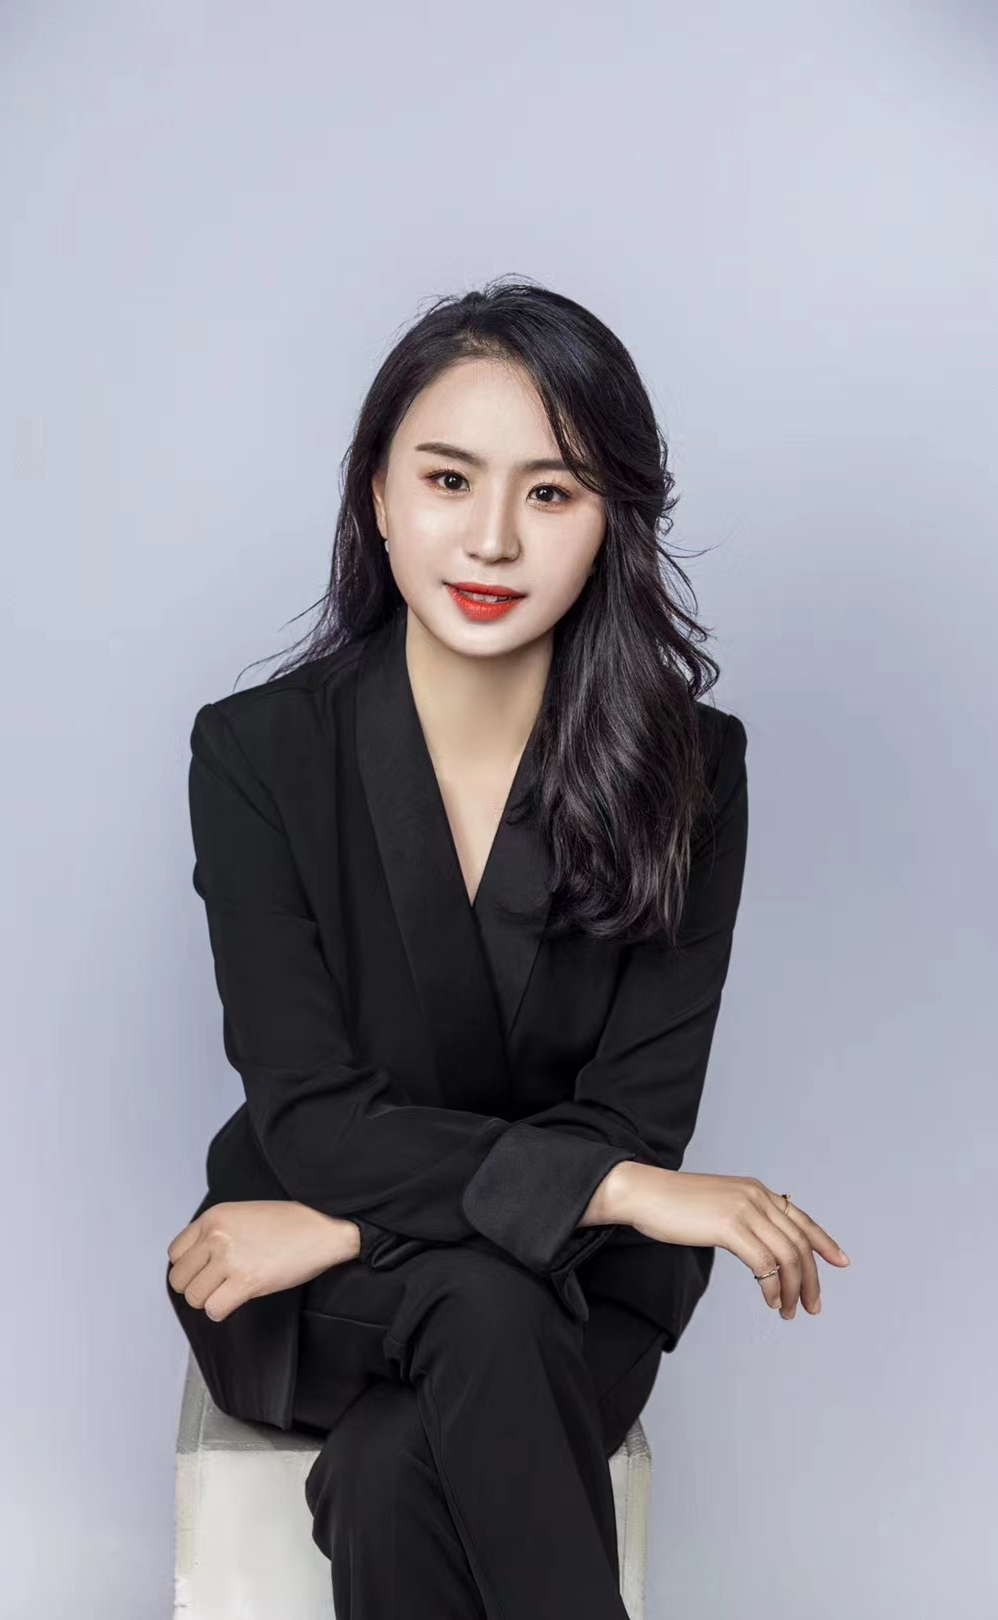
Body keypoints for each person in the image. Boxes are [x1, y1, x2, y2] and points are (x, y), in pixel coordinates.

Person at [164, 277, 850, 1619]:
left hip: (505, 1275)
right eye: (448, 480)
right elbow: (314, 1117)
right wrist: (631, 1192)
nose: (491, 539)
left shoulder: (693, 771)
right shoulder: (256, 754)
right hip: (312, 1300)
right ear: (378, 495)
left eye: (551, 492)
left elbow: (634, 1108)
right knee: (481, 1310)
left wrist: (347, 1224)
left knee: (397, 1465)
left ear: (611, 521)